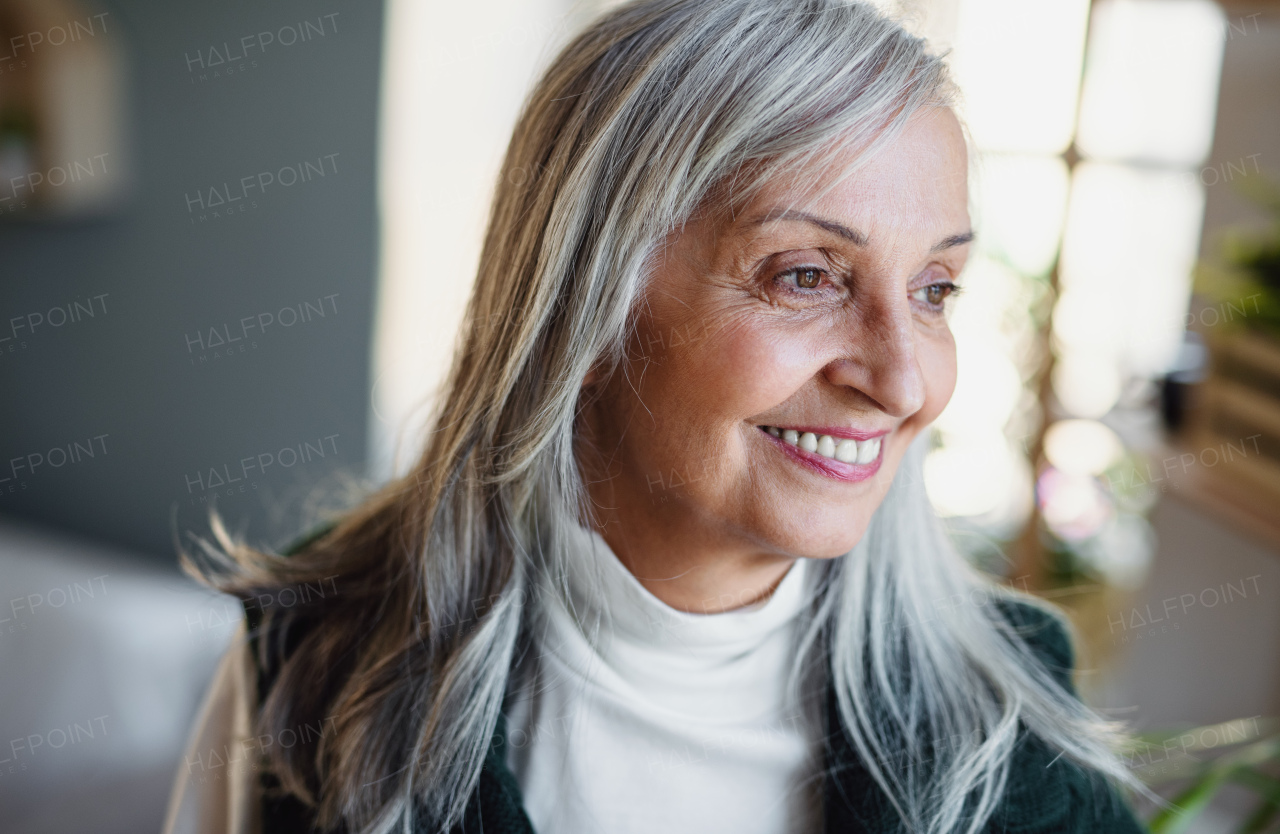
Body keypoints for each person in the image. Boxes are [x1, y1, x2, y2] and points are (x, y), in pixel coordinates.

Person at [163, 1, 1152, 832]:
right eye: (804, 276)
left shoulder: (1021, 741)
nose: (903, 384)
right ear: (581, 305)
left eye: (934, 290)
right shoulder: (313, 657)